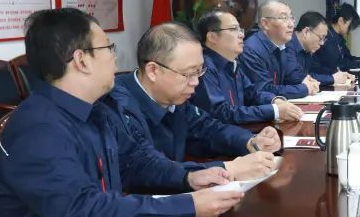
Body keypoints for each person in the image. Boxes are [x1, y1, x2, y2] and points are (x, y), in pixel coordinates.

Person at [0, 8, 243, 217]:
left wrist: (189, 177)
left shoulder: (96, 108)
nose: (115, 57)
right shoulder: (39, 129)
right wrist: (187, 205)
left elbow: (135, 161)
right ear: (81, 60)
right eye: (108, 48)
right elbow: (83, 210)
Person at [104, 21, 280, 180]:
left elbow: (208, 129)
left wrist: (250, 141)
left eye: (199, 71)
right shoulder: (117, 105)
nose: (195, 82)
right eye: (188, 74)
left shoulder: (176, 98)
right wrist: (227, 168)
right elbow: (148, 167)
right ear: (153, 71)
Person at [192, 10, 303, 126]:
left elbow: (252, 94)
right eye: (233, 29)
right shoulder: (204, 68)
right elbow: (222, 113)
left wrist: (275, 101)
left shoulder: (233, 63)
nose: (241, 35)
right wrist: (274, 111)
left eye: (240, 29)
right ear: (212, 37)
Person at [239, 0, 318, 99]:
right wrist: (304, 89)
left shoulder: (281, 46)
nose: (291, 24)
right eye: (284, 18)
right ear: (265, 23)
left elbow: (291, 76)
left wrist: (306, 81)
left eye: (291, 18)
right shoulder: (251, 50)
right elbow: (264, 90)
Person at [284, 11, 354, 88]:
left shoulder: (308, 48)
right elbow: (296, 77)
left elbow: (313, 72)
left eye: (324, 39)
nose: (322, 43)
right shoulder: (287, 46)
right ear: (306, 32)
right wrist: (332, 78)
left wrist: (337, 74)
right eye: (321, 38)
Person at [312, 3, 360, 75]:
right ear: (340, 21)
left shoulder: (338, 38)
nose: (350, 31)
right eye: (350, 27)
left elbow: (347, 57)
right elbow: (337, 65)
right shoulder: (327, 37)